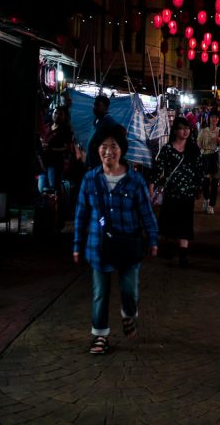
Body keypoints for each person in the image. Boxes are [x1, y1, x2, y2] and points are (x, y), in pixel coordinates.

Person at [74, 125, 158, 355]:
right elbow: (81, 215)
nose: (108, 151)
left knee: (129, 291)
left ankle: (128, 314)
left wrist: (153, 238)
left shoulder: (135, 181)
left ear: (122, 150)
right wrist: (77, 245)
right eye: (104, 146)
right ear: (97, 149)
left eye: (114, 146)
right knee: (100, 293)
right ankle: (100, 336)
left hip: (129, 244)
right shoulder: (90, 180)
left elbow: (146, 213)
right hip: (98, 245)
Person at [151, 118, 203, 267]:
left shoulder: (193, 149)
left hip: (187, 193)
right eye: (181, 128)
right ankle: (169, 246)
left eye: (187, 128)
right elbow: (158, 169)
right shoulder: (167, 149)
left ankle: (183, 254)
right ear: (175, 131)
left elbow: (199, 169)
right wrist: (152, 186)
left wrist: (198, 187)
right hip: (171, 192)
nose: (185, 131)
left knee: (185, 223)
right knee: (169, 221)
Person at [196, 111, 220, 214]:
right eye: (212, 117)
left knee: (214, 183)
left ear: (218, 119)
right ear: (208, 119)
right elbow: (198, 143)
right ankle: (206, 199)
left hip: (216, 157)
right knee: (205, 182)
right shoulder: (203, 131)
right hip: (205, 157)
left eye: (216, 117)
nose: (214, 119)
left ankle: (211, 205)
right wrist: (202, 150)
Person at [86, 94, 118, 169]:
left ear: (106, 107)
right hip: (93, 164)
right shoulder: (98, 121)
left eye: (97, 105)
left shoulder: (109, 123)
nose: (94, 108)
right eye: (94, 105)